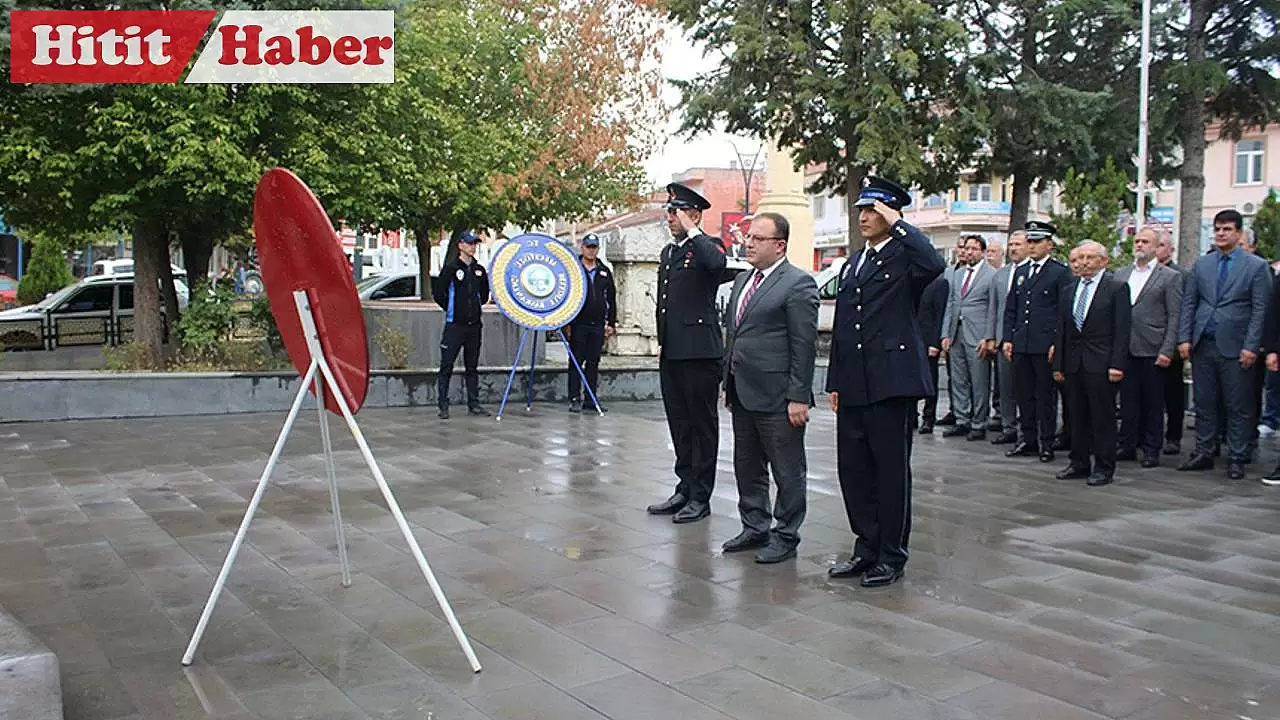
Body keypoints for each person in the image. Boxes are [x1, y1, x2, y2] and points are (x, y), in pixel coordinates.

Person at [825, 176, 945, 588]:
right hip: (856, 381)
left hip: (892, 381)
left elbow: (934, 264)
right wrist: (835, 380)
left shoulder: (906, 256)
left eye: (872, 210)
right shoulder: (856, 260)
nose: (863, 216)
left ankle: (891, 555)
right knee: (854, 469)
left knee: (890, 472)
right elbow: (844, 323)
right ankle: (866, 547)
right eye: (861, 209)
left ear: (891, 212)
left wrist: (900, 225)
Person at [720, 212, 819, 563]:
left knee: (787, 469)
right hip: (742, 391)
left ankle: (786, 533)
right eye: (748, 236)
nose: (748, 242)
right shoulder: (743, 281)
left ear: (779, 245)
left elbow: (804, 345)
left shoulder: (798, 284)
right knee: (746, 464)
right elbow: (735, 335)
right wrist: (727, 382)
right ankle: (754, 525)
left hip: (778, 396)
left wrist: (798, 397)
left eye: (757, 238)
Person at [646, 183, 727, 523]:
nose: (670, 217)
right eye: (669, 211)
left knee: (701, 426)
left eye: (676, 212)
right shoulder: (670, 252)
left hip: (700, 353)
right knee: (679, 424)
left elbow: (718, 265)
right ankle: (684, 487)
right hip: (673, 351)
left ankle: (700, 496)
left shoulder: (708, 247)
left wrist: (695, 231)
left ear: (693, 215)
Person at [1177, 210, 1271, 480]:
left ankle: (1238, 456)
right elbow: (1190, 303)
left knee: (1237, 404)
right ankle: (1204, 451)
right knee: (1204, 402)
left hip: (1236, 345)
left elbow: (1259, 309)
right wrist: (1184, 338)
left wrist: (1252, 346)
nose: (1220, 233)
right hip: (1204, 343)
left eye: (1226, 229)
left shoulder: (1255, 266)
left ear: (1239, 233)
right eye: (1217, 229)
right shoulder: (1203, 264)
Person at [1051, 241, 1131, 486]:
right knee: (1075, 415)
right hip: (1074, 364)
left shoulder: (1116, 288)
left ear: (1103, 261)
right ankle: (1079, 462)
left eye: (1090, 257)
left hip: (1102, 362)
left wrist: (1117, 364)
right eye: (1080, 257)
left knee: (1102, 417)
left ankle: (1104, 467)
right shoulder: (1069, 289)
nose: (1084, 262)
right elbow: (1063, 331)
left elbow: (1122, 330)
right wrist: (1058, 366)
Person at [1002, 221, 1072, 463]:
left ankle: (1046, 442)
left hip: (1044, 345)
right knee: (1024, 394)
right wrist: (1008, 338)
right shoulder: (1021, 272)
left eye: (1036, 241)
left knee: (1045, 397)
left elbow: (1063, 312)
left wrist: (1056, 342)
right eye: (1029, 241)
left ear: (1049, 244)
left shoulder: (1060, 272)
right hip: (1023, 342)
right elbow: (1012, 308)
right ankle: (1028, 439)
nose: (1031, 246)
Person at [1114, 227, 1183, 468]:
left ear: (1156, 247)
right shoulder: (1121, 274)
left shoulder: (1169, 277)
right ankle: (1128, 444)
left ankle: (1152, 448)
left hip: (1153, 347)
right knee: (1128, 400)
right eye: (1137, 241)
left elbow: (1175, 315)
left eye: (1145, 242)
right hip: (1126, 347)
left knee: (1153, 402)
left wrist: (1167, 350)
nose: (1140, 245)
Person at [940, 234, 997, 440]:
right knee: (958, 380)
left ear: (982, 252)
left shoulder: (992, 275)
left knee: (979, 381)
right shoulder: (957, 274)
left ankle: (979, 422)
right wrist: (945, 333)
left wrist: (989, 336)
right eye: (967, 248)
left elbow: (993, 308)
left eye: (974, 248)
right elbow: (951, 304)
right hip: (956, 333)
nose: (969, 252)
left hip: (978, 335)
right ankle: (961, 419)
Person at [432, 231, 490, 419]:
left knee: (472, 366)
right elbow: (439, 293)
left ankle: (474, 404)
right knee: (447, 365)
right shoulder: (451, 268)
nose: (473, 247)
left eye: (475, 244)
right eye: (469, 243)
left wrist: (473, 309)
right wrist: (453, 310)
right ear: (460, 245)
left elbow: (484, 295)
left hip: (474, 326)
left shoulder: (479, 270)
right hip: (455, 325)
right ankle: (443, 404)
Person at [565, 233, 617, 413]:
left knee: (593, 363)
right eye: (588, 247)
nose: (591, 250)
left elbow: (611, 297)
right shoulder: (574, 270)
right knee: (576, 362)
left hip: (597, 325)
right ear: (582, 248)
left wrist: (611, 322)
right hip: (578, 324)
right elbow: (567, 297)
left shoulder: (604, 271)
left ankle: (590, 398)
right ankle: (574, 398)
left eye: (594, 247)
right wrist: (567, 323)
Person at [990, 231, 1028, 445]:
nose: (1014, 248)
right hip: (1003, 338)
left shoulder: (1031, 273)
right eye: (1011, 244)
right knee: (1005, 386)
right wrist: (991, 337)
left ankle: (1027, 428)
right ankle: (1008, 426)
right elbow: (994, 310)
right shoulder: (1001, 275)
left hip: (1025, 339)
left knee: (1024, 387)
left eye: (1018, 244)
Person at [1155, 230, 1187, 454]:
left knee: (1173, 394)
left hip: (1169, 342)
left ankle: (1173, 436)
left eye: (1161, 245)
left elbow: (1179, 312)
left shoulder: (1179, 275)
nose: (1157, 249)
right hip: (1143, 343)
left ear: (1170, 249)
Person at [917, 272, 949, 433]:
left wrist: (935, 342)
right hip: (912, 340)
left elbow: (939, 314)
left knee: (930, 381)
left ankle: (928, 418)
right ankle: (911, 417)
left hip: (928, 340)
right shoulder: (912, 280)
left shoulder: (939, 283)